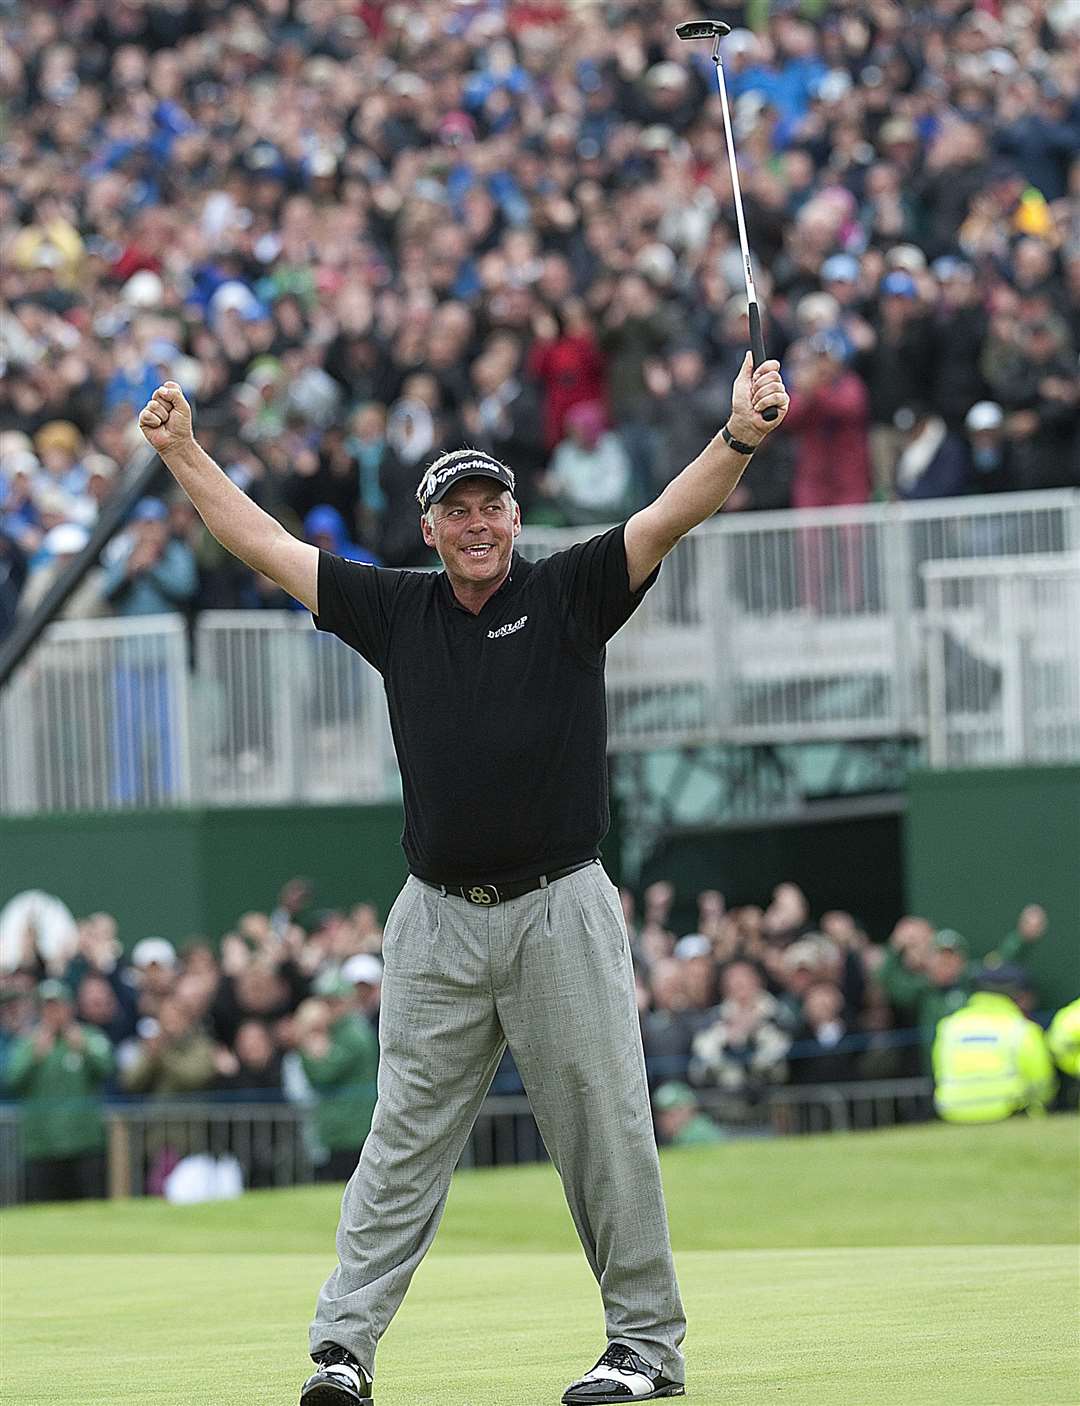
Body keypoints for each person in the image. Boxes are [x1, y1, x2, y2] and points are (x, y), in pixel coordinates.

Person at [137, 348, 789, 1406]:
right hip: (435, 919)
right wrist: (182, 450)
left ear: (514, 518)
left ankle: (645, 1349)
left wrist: (741, 436)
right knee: (401, 1139)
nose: (477, 523)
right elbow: (262, 543)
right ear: (430, 527)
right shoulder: (399, 608)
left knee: (604, 1129)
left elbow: (671, 514)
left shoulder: (572, 590)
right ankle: (342, 1348)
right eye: (457, 510)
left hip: (558, 907)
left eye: (492, 506)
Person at [4, 979, 113, 1202]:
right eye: (47, 1007)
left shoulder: (88, 1037)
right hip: (41, 1144)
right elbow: (12, 1079)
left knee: (89, 1205)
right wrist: (35, 1056)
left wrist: (83, 1049)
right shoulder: (27, 1043)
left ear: (69, 1007)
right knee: (43, 1208)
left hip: (84, 1141)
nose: (53, 1012)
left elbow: (107, 1068)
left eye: (58, 1006)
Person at [932, 965, 1056, 1123]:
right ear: (1019, 997)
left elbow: (939, 1071)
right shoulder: (1022, 1029)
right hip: (1008, 1112)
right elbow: (1042, 1084)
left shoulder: (949, 1027)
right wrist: (1038, 1110)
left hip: (953, 1112)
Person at [652, 1082, 724, 1147]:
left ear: (689, 1109)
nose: (664, 1120)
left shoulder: (696, 1136)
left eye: (672, 1114)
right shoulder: (682, 1135)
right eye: (661, 1115)